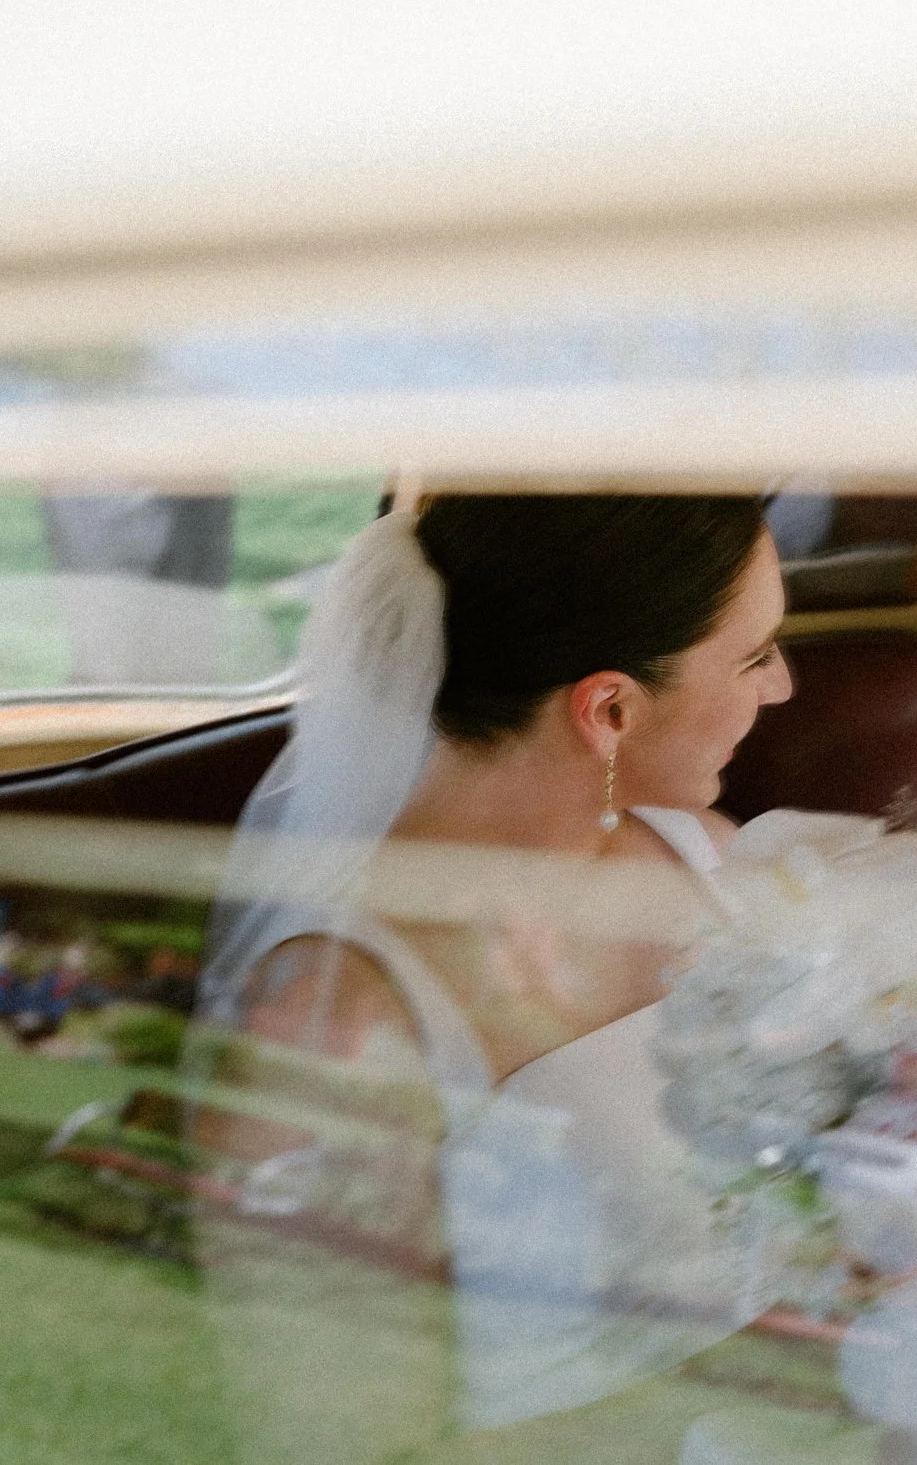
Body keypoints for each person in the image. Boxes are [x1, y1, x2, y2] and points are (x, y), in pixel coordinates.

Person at [193, 493, 794, 1457]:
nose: (783, 689)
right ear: (609, 709)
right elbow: (337, 1433)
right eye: (756, 655)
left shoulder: (707, 856)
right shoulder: (331, 1018)